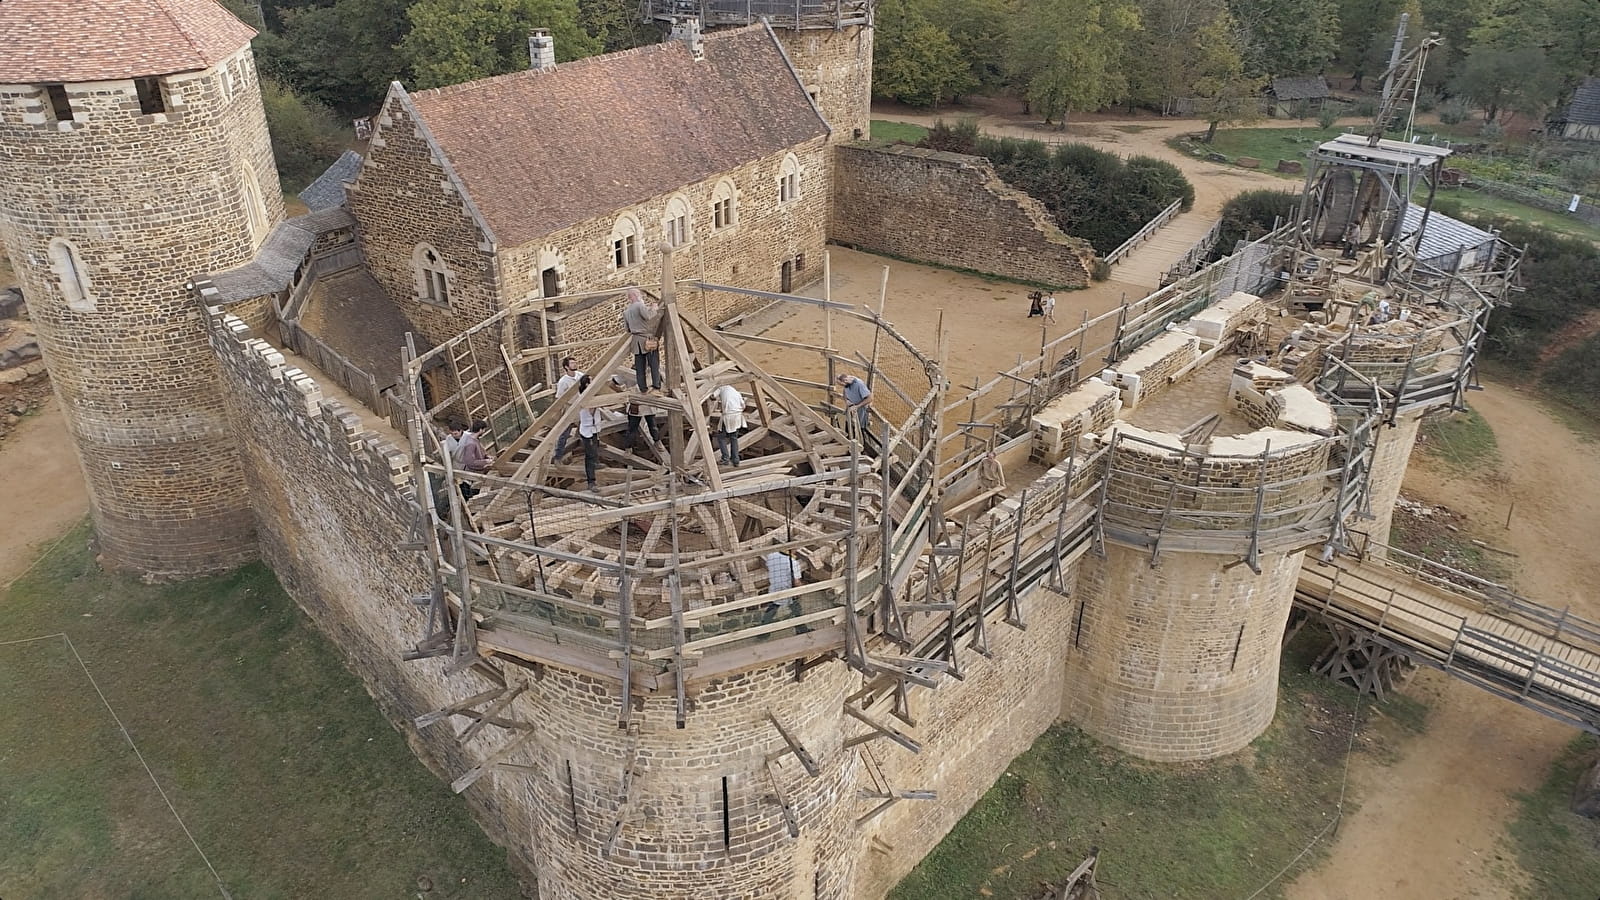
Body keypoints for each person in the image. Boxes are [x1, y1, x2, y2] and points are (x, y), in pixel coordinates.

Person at [622, 288, 663, 393]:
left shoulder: (626, 312)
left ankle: (643, 389)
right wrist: (654, 308)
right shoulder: (639, 305)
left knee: (640, 367)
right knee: (654, 364)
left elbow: (627, 329)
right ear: (635, 295)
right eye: (639, 294)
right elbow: (648, 316)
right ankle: (656, 387)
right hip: (646, 339)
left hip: (636, 342)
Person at [553, 355, 584, 461]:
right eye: (572, 363)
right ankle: (558, 456)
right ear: (566, 367)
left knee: (586, 427)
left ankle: (581, 447)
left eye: (575, 362)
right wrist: (559, 413)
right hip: (570, 408)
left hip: (581, 406)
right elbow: (559, 398)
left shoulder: (580, 375)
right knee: (565, 433)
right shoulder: (563, 382)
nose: (575, 364)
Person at [575, 375, 602, 492]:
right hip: (587, 430)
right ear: (587, 384)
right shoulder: (583, 398)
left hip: (594, 428)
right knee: (590, 455)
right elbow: (590, 410)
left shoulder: (593, 395)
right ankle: (591, 481)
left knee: (595, 448)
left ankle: (596, 463)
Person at [713, 383, 746, 466]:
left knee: (721, 437)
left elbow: (712, 396)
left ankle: (725, 458)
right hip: (737, 415)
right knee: (733, 438)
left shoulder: (720, 388)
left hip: (728, 415)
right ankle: (736, 460)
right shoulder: (735, 391)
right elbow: (743, 405)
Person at [837, 373, 871, 438]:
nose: (842, 386)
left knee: (859, 429)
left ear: (845, 380)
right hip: (851, 409)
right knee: (848, 426)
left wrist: (857, 406)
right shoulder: (846, 384)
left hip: (860, 410)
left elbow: (870, 398)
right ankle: (848, 440)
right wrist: (846, 400)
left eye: (842, 384)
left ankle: (860, 442)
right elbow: (844, 391)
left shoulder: (859, 384)